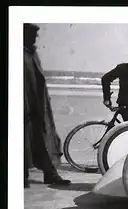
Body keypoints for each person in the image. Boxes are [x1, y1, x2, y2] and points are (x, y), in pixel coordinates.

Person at [24, 23, 71, 188]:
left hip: (39, 105)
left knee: (46, 138)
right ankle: (22, 175)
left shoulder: (32, 53)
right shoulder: (19, 54)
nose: (34, 38)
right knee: (24, 140)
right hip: (25, 105)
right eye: (31, 35)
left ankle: (50, 173)